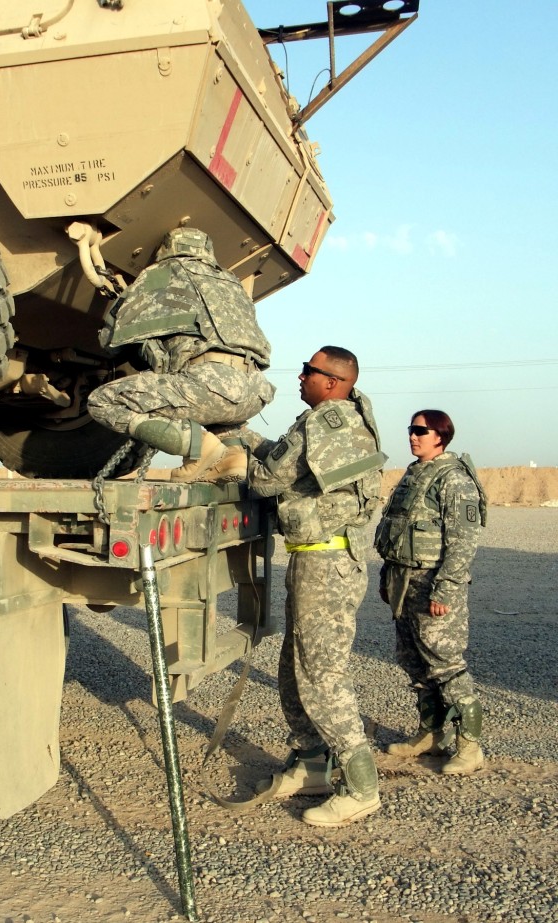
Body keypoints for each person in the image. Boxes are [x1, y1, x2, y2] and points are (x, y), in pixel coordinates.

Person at [242, 346, 386, 827]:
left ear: (332, 382)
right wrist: (247, 438)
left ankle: (361, 786)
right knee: (294, 669)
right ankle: (310, 765)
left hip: (325, 564)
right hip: (322, 560)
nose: (300, 376)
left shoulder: (320, 424)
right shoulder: (349, 424)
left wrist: (228, 454)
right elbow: (289, 465)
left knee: (322, 676)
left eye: (309, 371)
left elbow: (267, 480)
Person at [88, 227, 275, 482]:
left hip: (209, 384)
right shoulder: (231, 280)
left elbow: (110, 341)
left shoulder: (161, 273)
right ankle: (231, 455)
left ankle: (198, 447)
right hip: (255, 391)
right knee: (213, 408)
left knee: (103, 401)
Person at [374, 409, 487, 774]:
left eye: (420, 430)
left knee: (445, 664)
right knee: (414, 663)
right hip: (405, 583)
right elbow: (397, 527)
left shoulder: (454, 480)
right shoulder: (414, 474)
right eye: (411, 429)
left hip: (432, 586)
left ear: (440, 435)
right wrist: (387, 578)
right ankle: (431, 733)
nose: (412, 436)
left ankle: (470, 747)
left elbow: (463, 542)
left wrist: (446, 590)